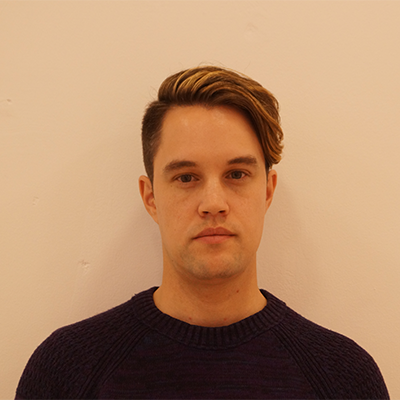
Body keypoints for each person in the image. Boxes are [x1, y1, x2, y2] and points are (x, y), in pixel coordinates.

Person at [15, 66, 389, 399]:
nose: (213, 203)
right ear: (151, 198)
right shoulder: (66, 369)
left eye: (237, 174)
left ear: (267, 191)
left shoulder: (344, 377)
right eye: (186, 177)